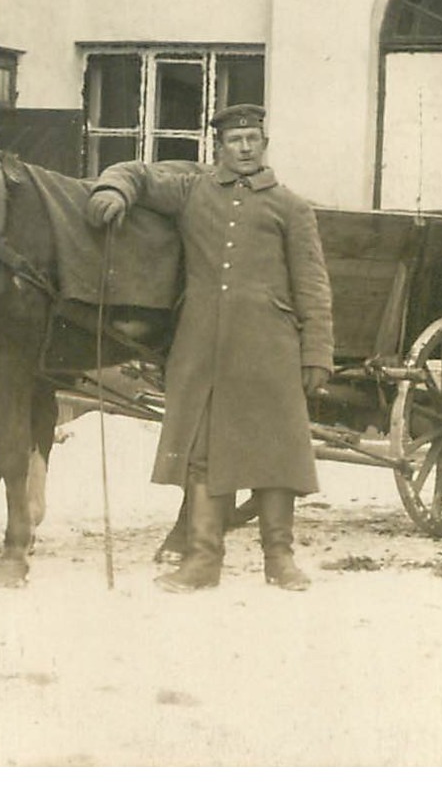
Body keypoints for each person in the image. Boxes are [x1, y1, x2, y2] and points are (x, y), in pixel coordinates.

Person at [86, 104, 333, 592]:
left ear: (265, 144)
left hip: (270, 348)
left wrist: (317, 352)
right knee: (202, 452)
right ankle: (202, 560)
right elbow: (136, 172)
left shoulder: (291, 207)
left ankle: (279, 559)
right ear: (217, 146)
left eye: (253, 139)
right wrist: (113, 189)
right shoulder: (192, 191)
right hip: (202, 349)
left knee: (276, 454)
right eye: (235, 140)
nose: (245, 148)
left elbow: (313, 284)